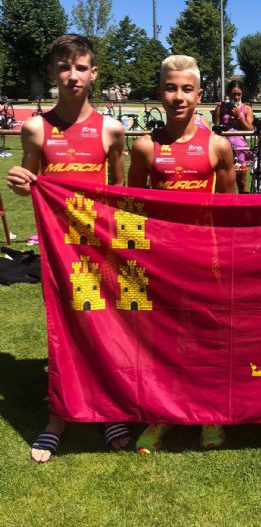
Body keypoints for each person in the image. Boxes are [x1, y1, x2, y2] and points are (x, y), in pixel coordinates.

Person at [6, 34, 129, 462]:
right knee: (61, 330)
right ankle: (57, 417)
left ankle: (107, 410)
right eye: (64, 67)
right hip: (58, 252)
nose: (72, 75)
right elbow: (31, 185)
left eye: (80, 68)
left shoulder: (112, 130)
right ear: (52, 73)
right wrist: (21, 183)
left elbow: (120, 193)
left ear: (94, 74)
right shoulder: (35, 128)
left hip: (98, 249)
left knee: (104, 327)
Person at [128, 55, 236, 453]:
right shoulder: (144, 147)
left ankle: (209, 413)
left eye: (186, 89)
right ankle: (162, 415)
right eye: (171, 88)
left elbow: (231, 210)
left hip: (206, 261)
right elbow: (130, 208)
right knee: (162, 340)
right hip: (160, 262)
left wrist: (228, 258)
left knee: (207, 337)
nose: (178, 97)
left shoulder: (218, 146)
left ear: (199, 95)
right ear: (160, 93)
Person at [213, 81, 253, 193]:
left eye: (239, 94)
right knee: (222, 183)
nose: (236, 97)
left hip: (240, 150)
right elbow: (216, 128)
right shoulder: (220, 107)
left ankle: (243, 203)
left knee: (242, 182)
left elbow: (250, 130)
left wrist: (240, 117)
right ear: (228, 93)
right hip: (223, 149)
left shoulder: (247, 108)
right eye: (233, 94)